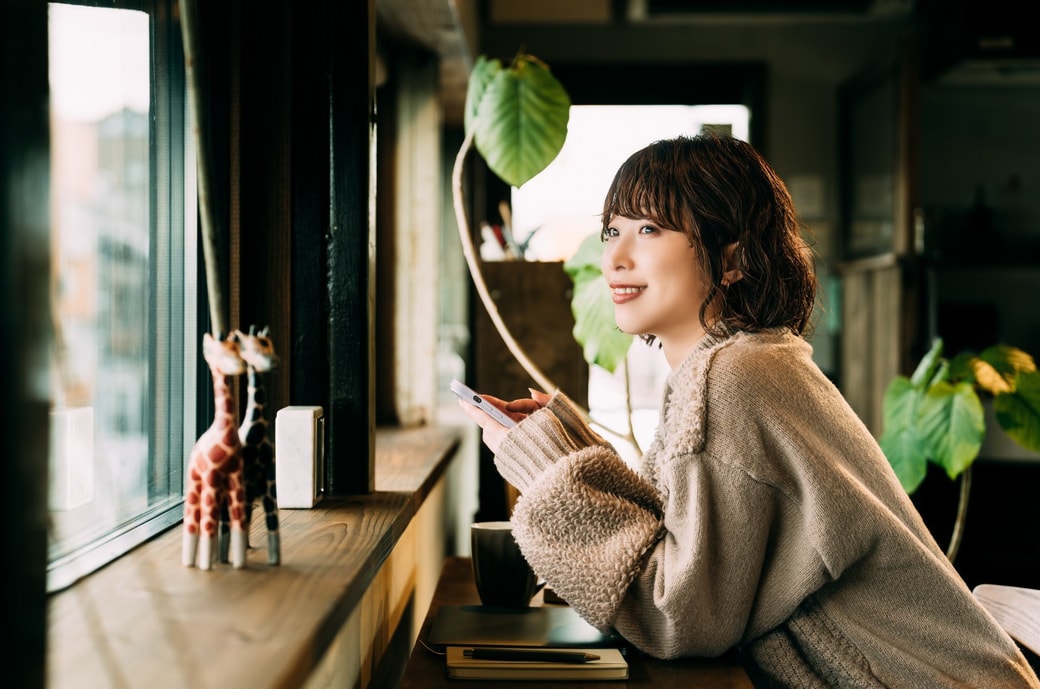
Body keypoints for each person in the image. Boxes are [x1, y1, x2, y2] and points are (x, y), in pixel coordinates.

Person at [457, 133, 1040, 688]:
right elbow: (684, 542)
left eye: (650, 229)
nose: (616, 257)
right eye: (612, 229)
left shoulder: (736, 376)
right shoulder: (747, 361)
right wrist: (566, 449)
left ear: (732, 260)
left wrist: (546, 471)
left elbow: (679, 618)